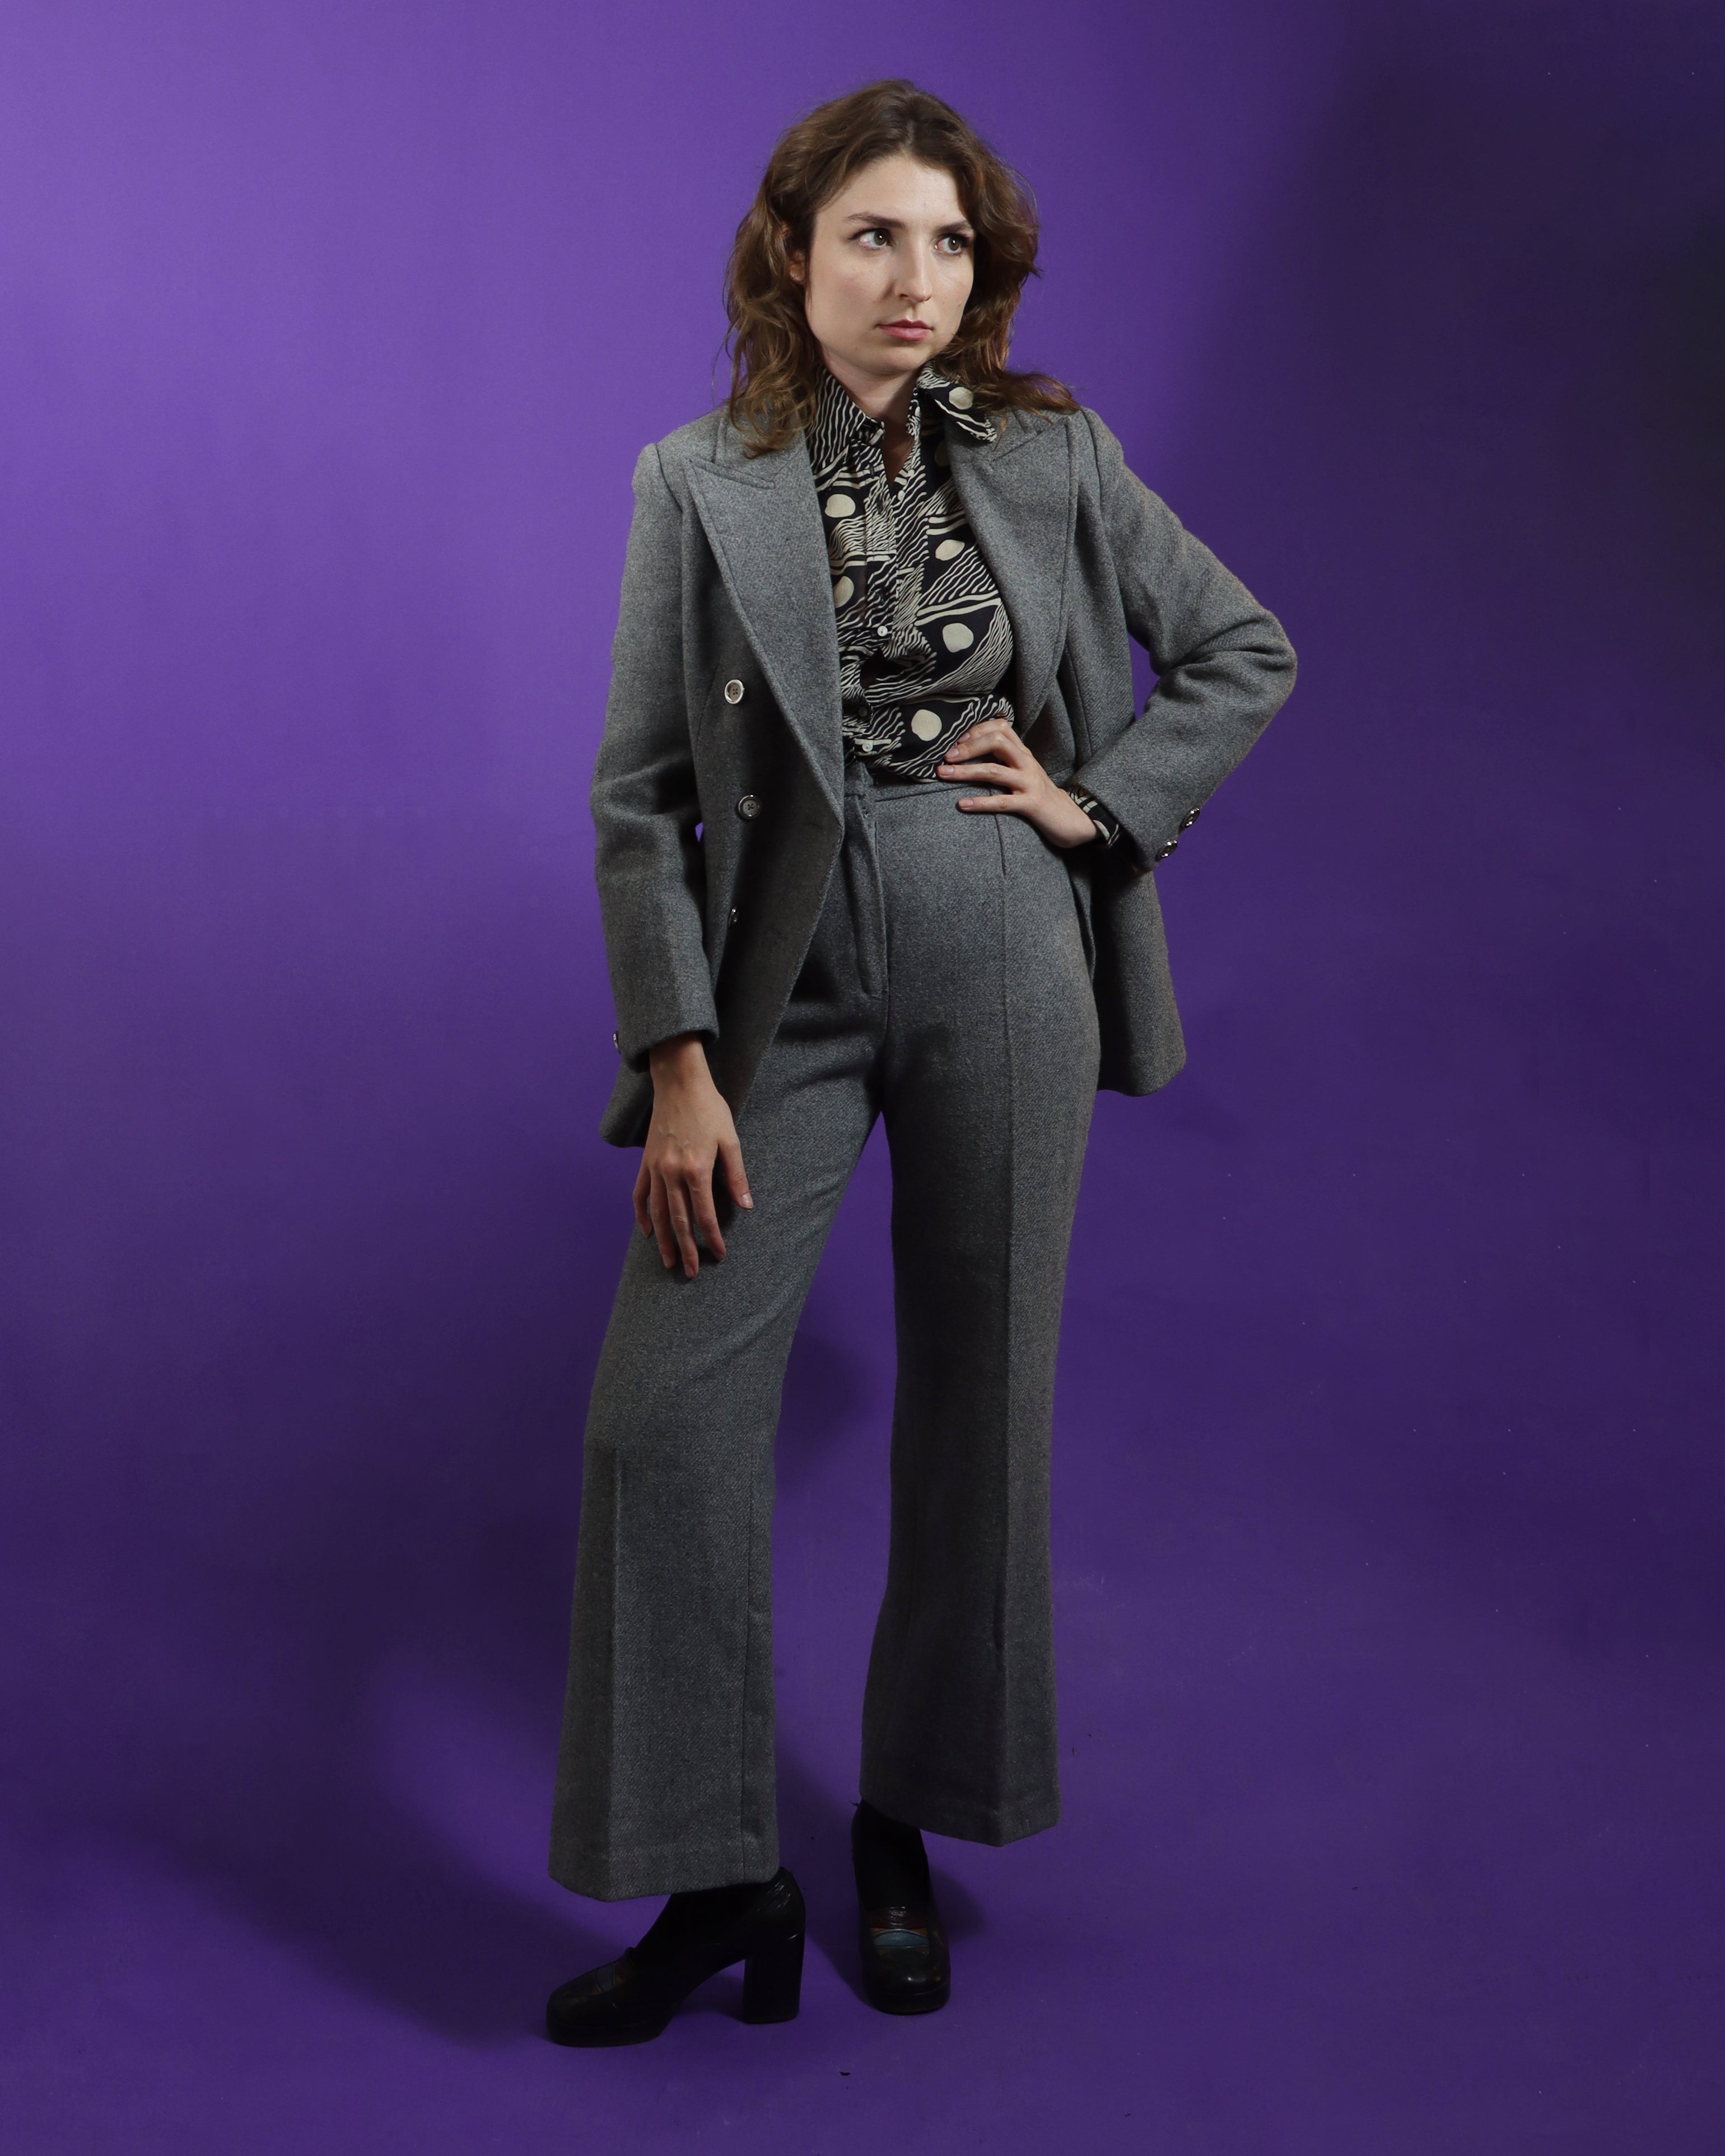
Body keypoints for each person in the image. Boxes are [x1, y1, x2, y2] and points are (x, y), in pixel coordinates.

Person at [544, 79, 1295, 2046]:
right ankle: (722, 1879)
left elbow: (1242, 649)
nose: (917, 277)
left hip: (1003, 941)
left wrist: (1096, 807)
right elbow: (636, 798)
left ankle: (904, 1820)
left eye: (950, 243)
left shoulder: (1053, 454)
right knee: (658, 1418)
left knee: (984, 1398)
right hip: (774, 982)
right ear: (792, 253)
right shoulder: (695, 481)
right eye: (876, 233)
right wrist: (679, 1057)